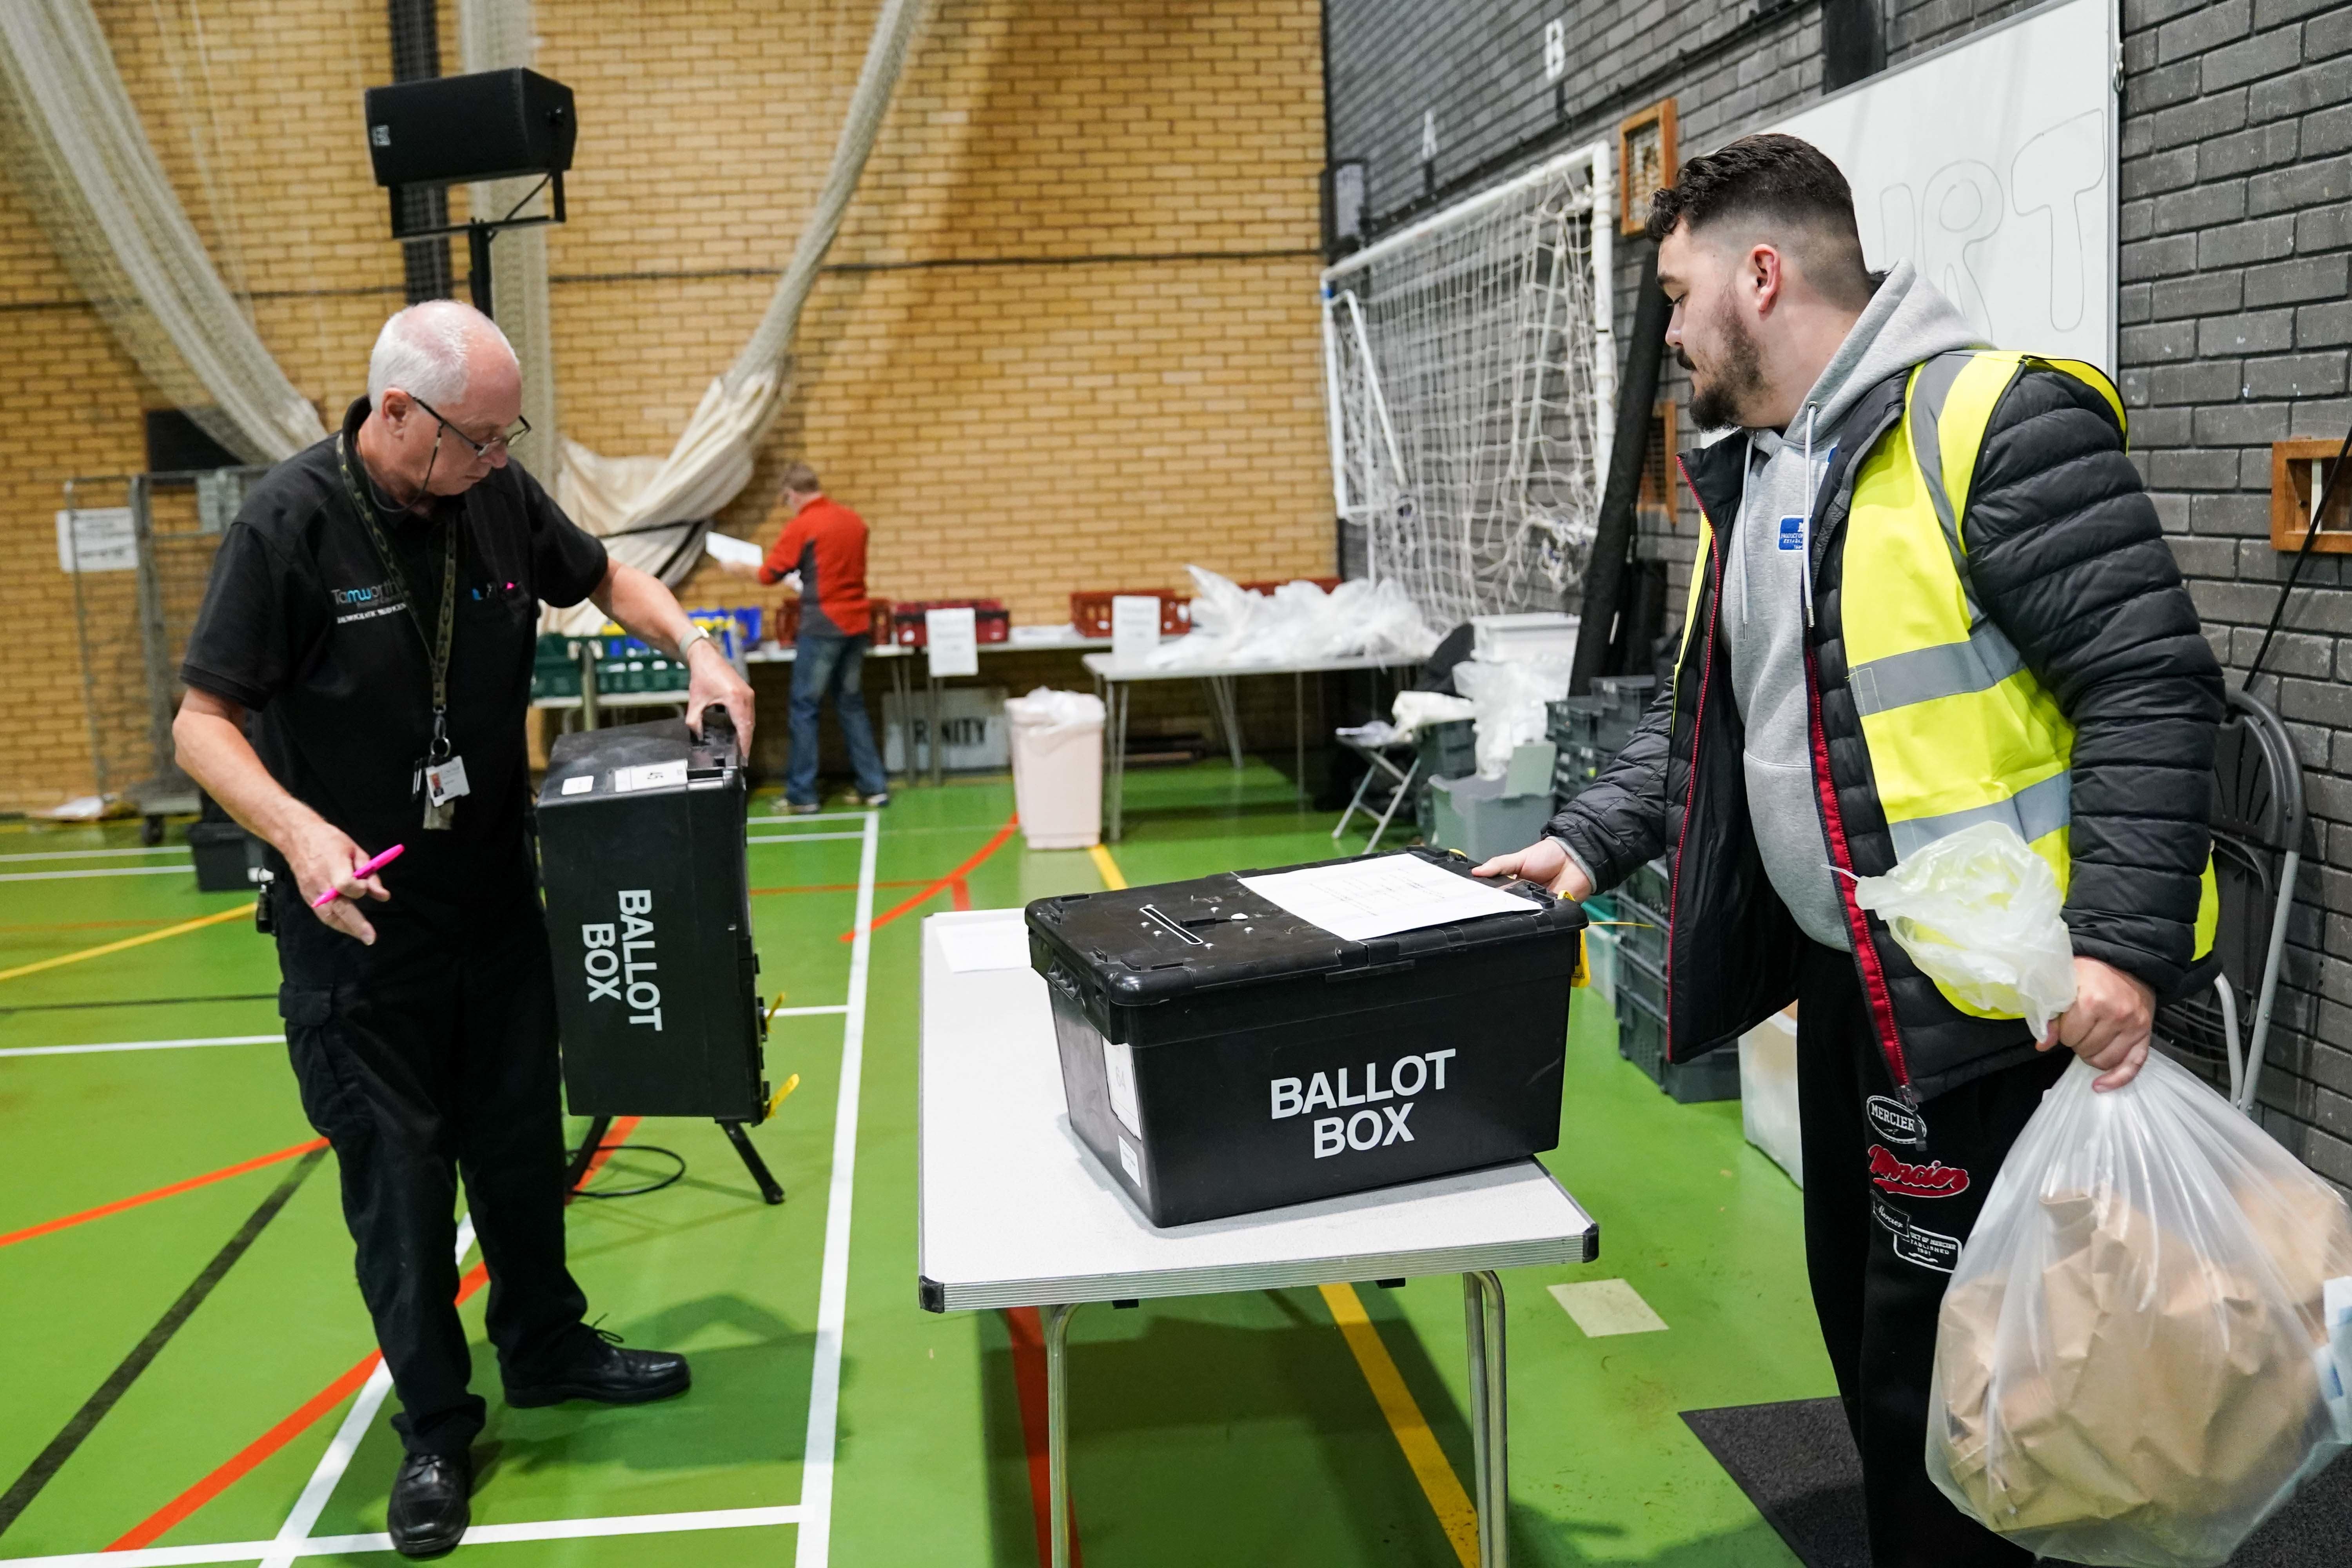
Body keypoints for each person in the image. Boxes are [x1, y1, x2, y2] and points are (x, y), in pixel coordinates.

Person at [1478, 135, 2221, 1567]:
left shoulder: (1989, 426)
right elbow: (1723, 722)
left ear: (1762, 275)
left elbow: (2147, 682)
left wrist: (2122, 949)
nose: (1675, 333)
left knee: (1974, 1378)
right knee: (1877, 1348)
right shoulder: (1752, 480)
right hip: (1855, 995)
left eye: (1684, 294)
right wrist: (1581, 843)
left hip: (2002, 1013)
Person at [174, 300, 757, 1559]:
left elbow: (604, 575)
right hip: (358, 927)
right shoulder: (288, 525)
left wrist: (701, 655)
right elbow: (201, 723)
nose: (500, 459)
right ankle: (437, 1426)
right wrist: (297, 832)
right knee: (399, 1181)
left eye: (508, 437)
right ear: (396, 413)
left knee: (513, 1148)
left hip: (493, 906)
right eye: (480, 439)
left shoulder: (492, 493)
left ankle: (545, 1344)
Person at [721, 463, 887, 812]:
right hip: (857, 624)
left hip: (822, 625)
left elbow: (770, 575)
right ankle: (874, 787)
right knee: (852, 704)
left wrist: (738, 568)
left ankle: (802, 794)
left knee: (804, 707)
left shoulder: (804, 525)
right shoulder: (853, 521)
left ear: (792, 494)